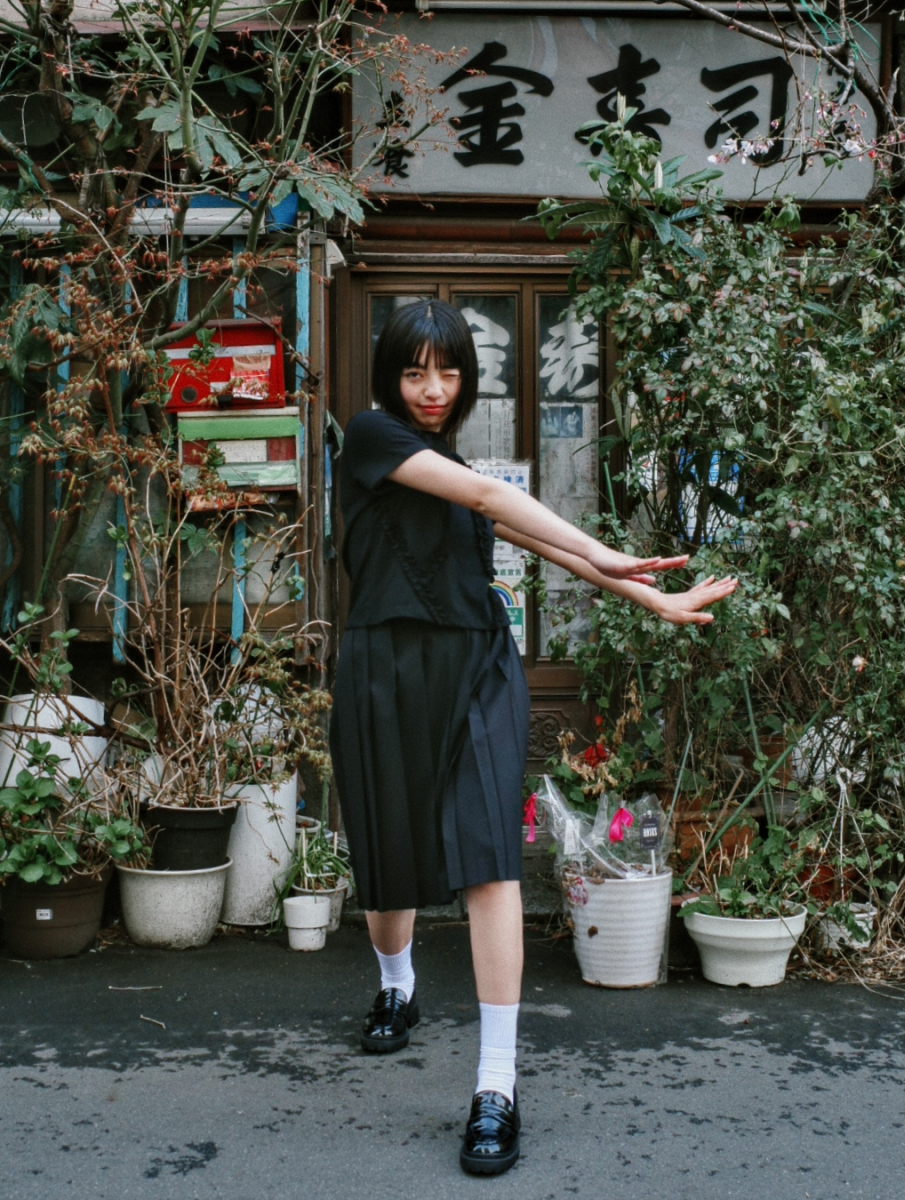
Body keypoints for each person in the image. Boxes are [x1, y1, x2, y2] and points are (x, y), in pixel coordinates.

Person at [329, 299, 737, 1176]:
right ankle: (397, 984)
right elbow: (491, 497)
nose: (433, 388)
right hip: (386, 669)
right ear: (390, 378)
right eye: (414, 371)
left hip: (478, 668)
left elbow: (544, 542)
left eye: (448, 371)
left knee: (489, 860)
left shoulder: (452, 469)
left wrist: (652, 595)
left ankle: (496, 1085)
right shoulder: (370, 439)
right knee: (388, 860)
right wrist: (614, 552)